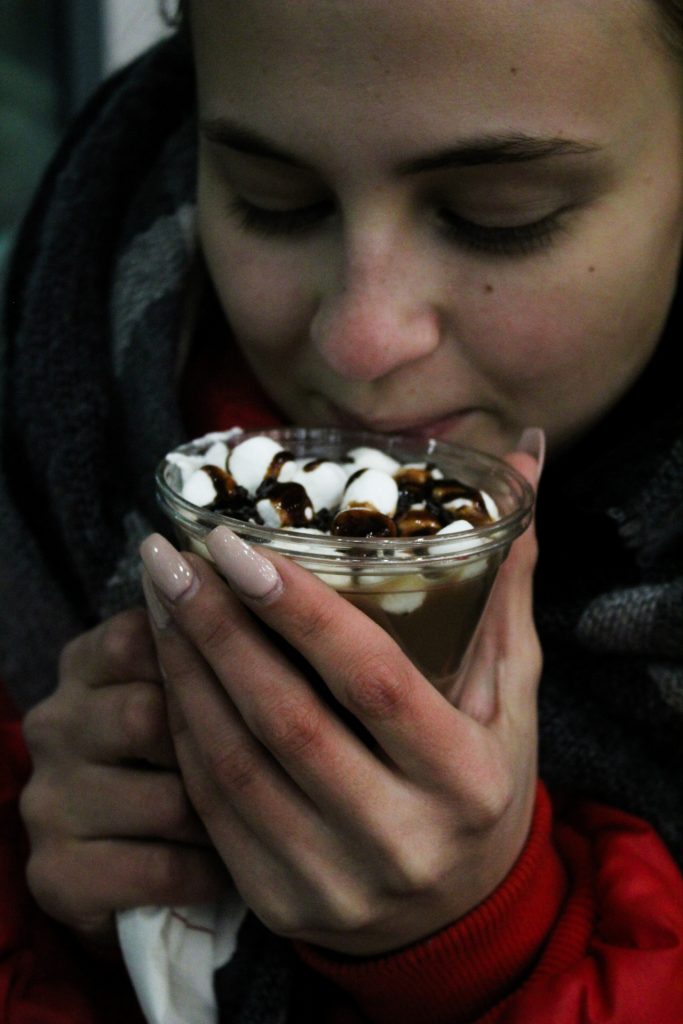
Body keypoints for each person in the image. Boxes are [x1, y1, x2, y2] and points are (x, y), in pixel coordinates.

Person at [1, 0, 683, 1021]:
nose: (360, 342)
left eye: (499, 215)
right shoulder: (59, 430)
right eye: (273, 201)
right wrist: (83, 923)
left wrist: (484, 950)